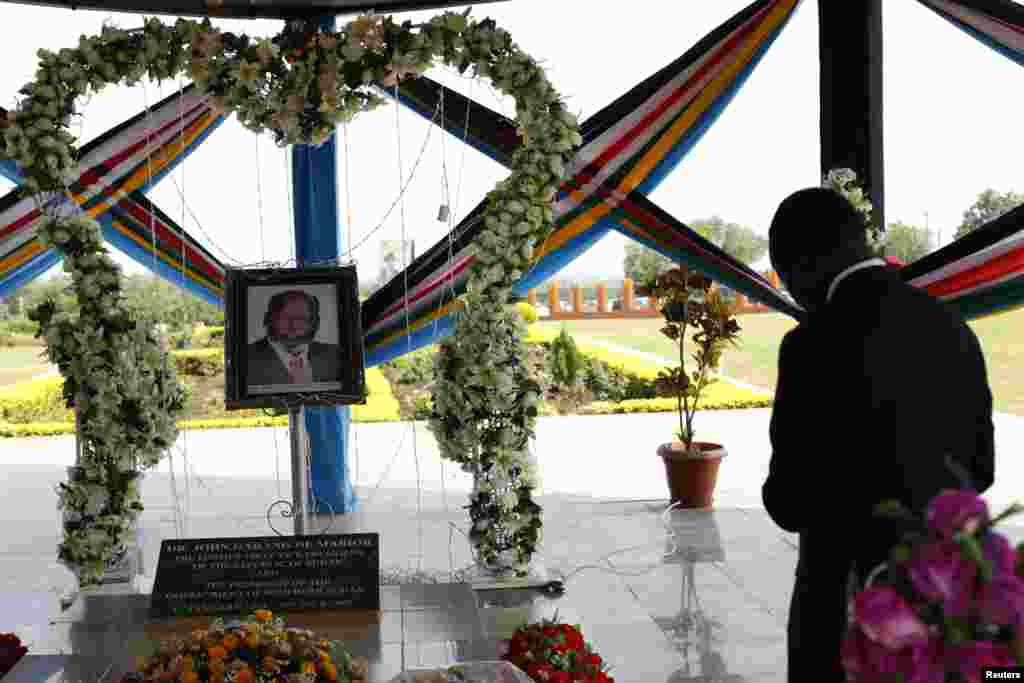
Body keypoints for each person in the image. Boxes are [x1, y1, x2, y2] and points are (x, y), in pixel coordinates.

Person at [761, 187, 995, 682]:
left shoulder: (811, 345)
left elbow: (790, 502)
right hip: (941, 603)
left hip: (845, 612)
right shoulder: (952, 325)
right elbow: (981, 467)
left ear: (800, 263)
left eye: (785, 278)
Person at [247, 289, 341, 387]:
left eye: (301, 319)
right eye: (284, 317)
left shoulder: (335, 355)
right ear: (268, 319)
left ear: (315, 323)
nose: (293, 325)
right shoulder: (246, 358)